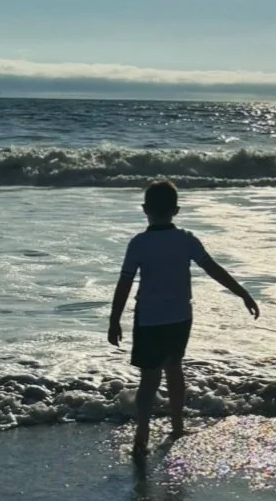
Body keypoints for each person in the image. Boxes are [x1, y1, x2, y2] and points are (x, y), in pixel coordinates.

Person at [108, 179, 258, 460]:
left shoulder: (139, 243)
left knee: (149, 379)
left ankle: (143, 432)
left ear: (145, 210)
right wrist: (243, 293)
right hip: (180, 317)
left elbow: (124, 284)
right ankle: (177, 425)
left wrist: (114, 319)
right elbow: (214, 269)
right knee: (174, 368)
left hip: (149, 319)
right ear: (175, 210)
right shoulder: (186, 240)